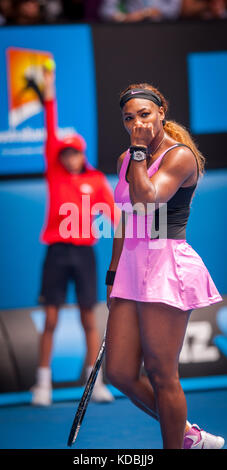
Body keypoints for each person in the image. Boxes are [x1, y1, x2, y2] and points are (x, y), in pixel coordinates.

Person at [104, 83, 224, 449]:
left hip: (166, 264)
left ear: (161, 112)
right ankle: (189, 435)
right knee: (120, 372)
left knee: (161, 373)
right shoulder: (127, 159)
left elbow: (146, 199)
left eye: (144, 114)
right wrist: (112, 275)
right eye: (129, 118)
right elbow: (126, 218)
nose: (136, 122)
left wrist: (139, 151)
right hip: (130, 268)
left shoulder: (179, 156)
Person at [31, 65, 120, 405]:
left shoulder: (97, 180)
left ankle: (94, 383)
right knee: (51, 318)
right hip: (56, 251)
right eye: (65, 153)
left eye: (75, 152)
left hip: (84, 253)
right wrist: (49, 97)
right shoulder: (54, 173)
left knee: (87, 318)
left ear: (82, 153)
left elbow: (113, 215)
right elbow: (50, 132)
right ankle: (42, 384)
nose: (69, 157)